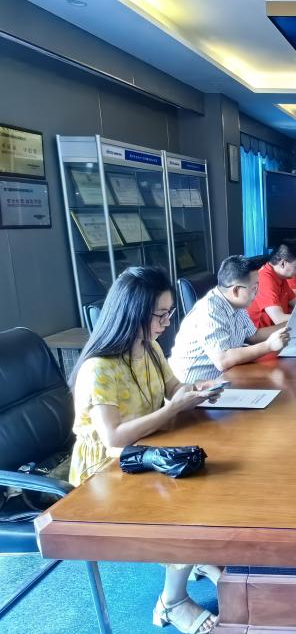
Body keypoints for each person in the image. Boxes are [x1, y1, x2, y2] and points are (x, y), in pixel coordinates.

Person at [68, 266, 221, 634]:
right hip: (106, 470)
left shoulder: (148, 347)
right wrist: (171, 411)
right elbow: (113, 439)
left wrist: (196, 392)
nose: (167, 322)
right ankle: (172, 602)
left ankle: (195, 556)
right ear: (132, 313)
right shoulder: (99, 368)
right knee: (186, 506)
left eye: (170, 313)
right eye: (160, 315)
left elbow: (174, 388)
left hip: (147, 449)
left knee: (210, 474)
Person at [169, 255, 290, 384]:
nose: (257, 292)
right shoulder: (210, 310)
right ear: (236, 290)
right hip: (196, 386)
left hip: (226, 377)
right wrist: (269, 345)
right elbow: (223, 360)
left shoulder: (237, 304)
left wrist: (290, 324)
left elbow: (253, 336)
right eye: (254, 288)